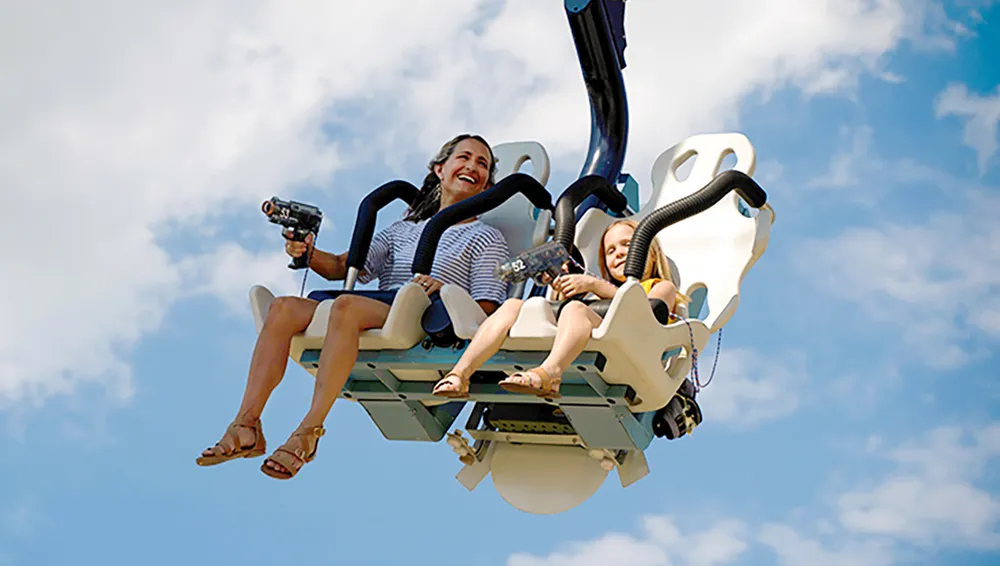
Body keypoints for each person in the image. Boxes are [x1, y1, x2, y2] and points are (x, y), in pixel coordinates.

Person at [196, 134, 512, 479]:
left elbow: (485, 307)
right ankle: (246, 424)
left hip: (431, 314)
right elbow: (344, 267)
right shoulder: (403, 229)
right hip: (382, 305)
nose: (472, 167)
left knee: (346, 307)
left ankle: (308, 432)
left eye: (482, 164)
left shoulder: (487, 237)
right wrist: (307, 252)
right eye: (464, 158)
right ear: (440, 169)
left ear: (487, 186)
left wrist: (445, 287)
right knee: (283, 308)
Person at [432, 218, 686, 399]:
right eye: (611, 250)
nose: (620, 253)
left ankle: (550, 372)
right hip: (591, 338)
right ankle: (459, 374)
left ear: (649, 251)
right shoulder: (595, 292)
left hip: (630, 344)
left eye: (628, 245)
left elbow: (648, 311)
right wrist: (561, 289)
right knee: (513, 306)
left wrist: (594, 285)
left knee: (576, 310)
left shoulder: (662, 286)